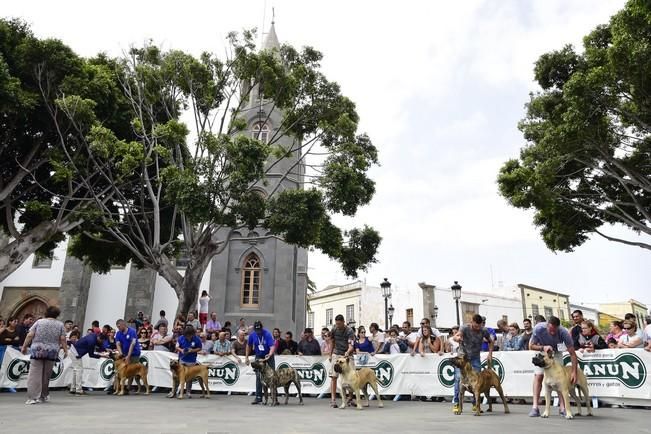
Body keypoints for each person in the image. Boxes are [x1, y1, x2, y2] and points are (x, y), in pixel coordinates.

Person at [528, 315, 577, 418]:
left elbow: (572, 354)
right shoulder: (538, 328)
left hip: (556, 352)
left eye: (555, 330)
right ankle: (535, 407)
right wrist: (543, 347)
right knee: (538, 376)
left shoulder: (564, 332)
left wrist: (574, 372)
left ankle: (563, 408)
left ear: (558, 327)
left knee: (560, 380)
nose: (553, 332)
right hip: (541, 351)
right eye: (551, 330)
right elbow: (531, 346)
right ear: (547, 325)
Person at [20, 306, 68, 405]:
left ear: (47, 313)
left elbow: (30, 335)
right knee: (46, 375)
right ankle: (43, 395)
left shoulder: (39, 322)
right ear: (57, 314)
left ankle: (33, 397)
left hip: (37, 350)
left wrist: (24, 346)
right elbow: (63, 338)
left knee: (34, 374)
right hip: (52, 351)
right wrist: (66, 350)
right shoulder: (60, 324)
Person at [451, 314, 493, 414]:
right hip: (463, 357)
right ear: (472, 322)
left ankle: (475, 404)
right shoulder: (464, 328)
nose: (477, 328)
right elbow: (456, 336)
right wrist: (457, 338)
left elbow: (491, 341)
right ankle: (456, 403)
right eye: (475, 326)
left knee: (477, 381)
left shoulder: (484, 330)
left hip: (475, 358)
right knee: (458, 378)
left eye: (479, 326)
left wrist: (490, 353)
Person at [245, 321, 276, 405]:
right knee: (259, 376)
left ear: (262, 328)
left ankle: (274, 398)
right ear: (255, 329)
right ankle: (258, 397)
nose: (258, 331)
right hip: (259, 357)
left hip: (268, 356)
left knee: (272, 377)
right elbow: (249, 345)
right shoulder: (252, 335)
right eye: (257, 329)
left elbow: (272, 346)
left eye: (259, 329)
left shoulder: (267, 334)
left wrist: (270, 354)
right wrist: (247, 357)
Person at [328, 314, 354, 408]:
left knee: (351, 376)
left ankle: (350, 398)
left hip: (347, 354)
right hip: (337, 353)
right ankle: (333, 400)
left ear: (343, 322)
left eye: (339, 324)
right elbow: (332, 341)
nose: (338, 326)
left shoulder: (349, 331)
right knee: (333, 376)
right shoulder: (334, 329)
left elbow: (351, 345)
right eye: (336, 324)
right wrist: (330, 354)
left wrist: (348, 351)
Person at [176, 325, 202, 398]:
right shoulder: (181, 338)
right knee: (179, 376)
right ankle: (175, 391)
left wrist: (192, 350)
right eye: (187, 335)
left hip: (191, 360)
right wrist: (181, 350)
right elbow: (176, 346)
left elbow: (200, 348)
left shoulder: (197, 339)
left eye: (190, 335)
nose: (188, 337)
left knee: (189, 377)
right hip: (182, 359)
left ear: (192, 334)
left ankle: (188, 392)